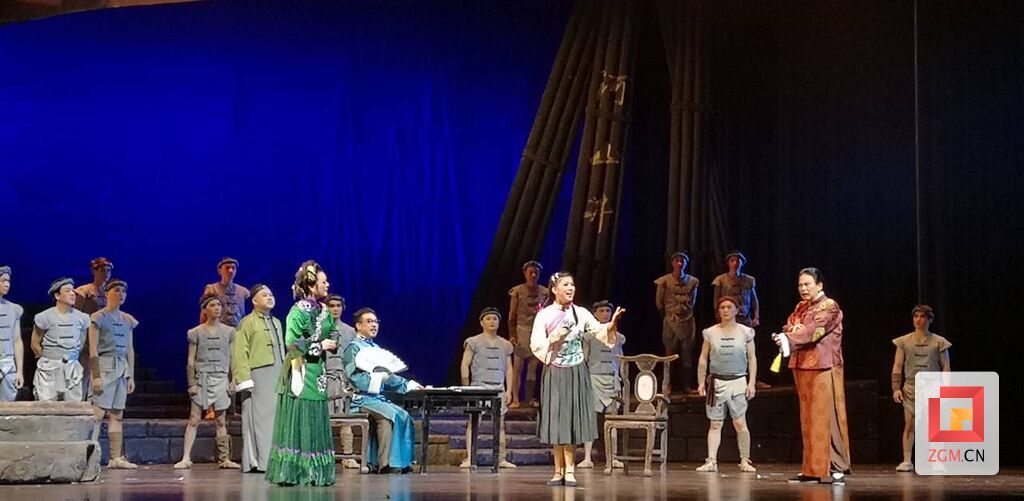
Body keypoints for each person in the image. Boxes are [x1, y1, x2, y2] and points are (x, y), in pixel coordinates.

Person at [531, 271, 624, 488]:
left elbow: (599, 332)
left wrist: (611, 325)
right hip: (555, 370)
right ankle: (558, 471)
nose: (570, 288)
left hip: (576, 370)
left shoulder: (581, 314)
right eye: (565, 284)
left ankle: (570, 470)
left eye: (572, 284)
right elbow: (536, 344)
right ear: (554, 289)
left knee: (571, 419)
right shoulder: (544, 315)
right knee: (557, 419)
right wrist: (556, 337)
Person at [773, 267, 851, 485]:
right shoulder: (801, 306)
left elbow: (814, 330)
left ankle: (836, 468)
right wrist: (791, 330)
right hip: (803, 365)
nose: (803, 288)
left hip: (823, 366)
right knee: (808, 418)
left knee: (825, 417)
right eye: (800, 285)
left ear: (819, 285)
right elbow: (790, 323)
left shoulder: (830, 306)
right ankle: (812, 468)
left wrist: (791, 335)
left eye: (807, 284)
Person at [265, 261, 338, 486]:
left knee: (316, 416)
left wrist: (332, 341)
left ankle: (315, 472)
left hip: (318, 372)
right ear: (312, 286)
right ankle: (297, 471)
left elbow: (333, 332)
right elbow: (292, 343)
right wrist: (319, 345)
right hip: (300, 370)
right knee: (301, 417)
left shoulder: (325, 311)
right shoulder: (297, 311)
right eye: (324, 281)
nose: (328, 284)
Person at [343, 307, 423, 474]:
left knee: (400, 416)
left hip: (376, 398)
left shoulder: (375, 348)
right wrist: (377, 378)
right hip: (359, 398)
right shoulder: (353, 348)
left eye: (376, 322)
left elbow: (389, 377)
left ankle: (388, 463)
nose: (374, 325)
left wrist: (408, 385)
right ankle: (389, 463)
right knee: (394, 415)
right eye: (369, 322)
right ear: (358, 325)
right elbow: (353, 377)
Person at [175, 295, 240, 470]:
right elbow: (191, 360)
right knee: (194, 419)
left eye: (219, 305)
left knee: (221, 420)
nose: (217, 308)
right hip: (202, 379)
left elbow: (233, 357)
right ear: (205, 309)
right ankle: (186, 458)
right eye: (212, 305)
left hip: (220, 378)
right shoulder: (196, 332)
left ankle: (224, 458)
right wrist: (191, 383)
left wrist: (234, 379)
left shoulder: (229, 332)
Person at [694, 296, 757, 473]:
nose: (726, 310)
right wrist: (701, 381)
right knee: (715, 423)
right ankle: (711, 461)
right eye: (722, 307)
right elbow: (703, 358)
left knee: (740, 422)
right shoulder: (710, 332)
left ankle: (745, 460)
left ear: (737, 310)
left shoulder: (746, 332)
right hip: (717, 382)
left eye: (729, 307)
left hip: (738, 381)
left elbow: (752, 358)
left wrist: (752, 383)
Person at [891, 305, 951, 472]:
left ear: (929, 319)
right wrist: (896, 388)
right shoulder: (903, 341)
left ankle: (937, 461)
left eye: (922, 316)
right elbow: (897, 366)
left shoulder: (939, 342)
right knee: (909, 425)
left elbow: (946, 367)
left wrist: (946, 389)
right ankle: (907, 461)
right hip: (911, 388)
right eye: (916, 316)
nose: (918, 320)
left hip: (933, 387)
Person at [233, 284, 285, 473]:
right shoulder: (247, 322)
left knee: (275, 417)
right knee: (258, 418)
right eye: (264, 295)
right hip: (258, 375)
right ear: (254, 301)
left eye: (271, 294)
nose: (269, 297)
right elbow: (240, 353)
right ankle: (259, 460)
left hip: (277, 372)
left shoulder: (277, 322)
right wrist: (244, 378)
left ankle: (274, 459)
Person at [87, 279, 138, 469]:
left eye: (123, 291)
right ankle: (89, 456)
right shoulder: (98, 317)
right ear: (107, 293)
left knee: (117, 414)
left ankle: (115, 458)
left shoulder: (127, 319)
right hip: (105, 367)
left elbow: (130, 349)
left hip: (121, 369)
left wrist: (131, 375)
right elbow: (93, 349)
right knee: (98, 413)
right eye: (117, 290)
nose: (121, 294)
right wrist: (96, 376)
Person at [459, 307, 516, 469]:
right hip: (478, 387)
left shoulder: (505, 344)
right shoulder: (473, 342)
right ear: (481, 322)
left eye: (495, 318)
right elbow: (464, 365)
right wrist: (466, 388)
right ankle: (470, 457)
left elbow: (509, 368)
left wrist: (509, 390)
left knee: (500, 424)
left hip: (498, 389)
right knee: (473, 423)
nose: (492, 321)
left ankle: (501, 458)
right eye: (488, 318)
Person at [577, 300, 625, 470]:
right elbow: (584, 359)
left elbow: (620, 359)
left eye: (608, 311)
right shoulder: (590, 336)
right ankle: (587, 457)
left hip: (611, 379)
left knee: (613, 419)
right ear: (595, 314)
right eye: (602, 311)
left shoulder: (618, 337)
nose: (605, 314)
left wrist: (622, 379)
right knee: (591, 419)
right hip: (594, 378)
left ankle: (613, 457)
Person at [712, 251, 770, 390]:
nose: (735, 263)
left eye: (738, 260)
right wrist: (719, 319)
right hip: (728, 320)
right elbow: (716, 302)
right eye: (732, 260)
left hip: (744, 318)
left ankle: (754, 380)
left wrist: (756, 317)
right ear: (728, 263)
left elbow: (754, 300)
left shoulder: (748, 280)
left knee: (749, 350)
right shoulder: (720, 280)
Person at [32, 278, 90, 402]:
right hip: (49, 369)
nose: (72, 294)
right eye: (68, 291)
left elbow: (81, 343)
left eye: (73, 291)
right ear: (57, 295)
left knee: (73, 406)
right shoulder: (44, 317)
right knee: (47, 406)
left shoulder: (82, 318)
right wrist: (49, 358)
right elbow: (35, 344)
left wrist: (71, 358)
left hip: (72, 368)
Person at [324, 293, 360, 470]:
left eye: (338, 306)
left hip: (343, 377)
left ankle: (348, 455)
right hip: (325, 377)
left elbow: (354, 357)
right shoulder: (320, 329)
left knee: (346, 418)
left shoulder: (350, 331)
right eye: (331, 306)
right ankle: (322, 454)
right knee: (323, 418)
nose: (335, 309)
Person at [655, 251, 699, 394]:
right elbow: (659, 302)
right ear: (672, 263)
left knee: (687, 353)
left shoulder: (693, 281)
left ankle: (687, 385)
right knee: (669, 353)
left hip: (687, 320)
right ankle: (667, 383)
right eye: (677, 260)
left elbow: (693, 301)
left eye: (682, 261)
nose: (680, 263)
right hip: (671, 319)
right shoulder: (664, 281)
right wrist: (668, 314)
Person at [509, 260, 548, 408]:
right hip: (522, 330)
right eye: (530, 272)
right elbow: (512, 314)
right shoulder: (518, 291)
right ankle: (515, 398)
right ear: (525, 273)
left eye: (536, 272)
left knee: (533, 367)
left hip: (537, 332)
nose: (533, 275)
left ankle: (529, 398)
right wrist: (512, 334)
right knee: (517, 367)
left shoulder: (545, 292)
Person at [201, 257, 250, 327]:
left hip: (239, 329)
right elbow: (204, 311)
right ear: (219, 271)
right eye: (227, 268)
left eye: (233, 268)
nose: (230, 270)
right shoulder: (212, 289)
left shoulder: (243, 291)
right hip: (219, 330)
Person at [0, 266, 25, 401]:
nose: (7, 284)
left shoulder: (14, 309)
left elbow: (17, 340)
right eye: (3, 280)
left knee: (8, 406)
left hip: (8, 365)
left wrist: (19, 371)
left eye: (8, 281)